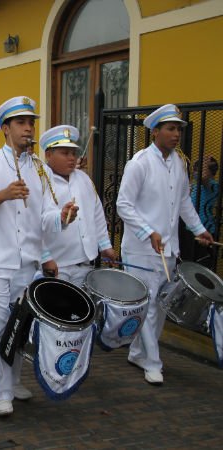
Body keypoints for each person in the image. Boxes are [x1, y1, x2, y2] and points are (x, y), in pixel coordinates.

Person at [0, 96, 78, 416]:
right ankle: (1, 391)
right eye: (21, 123)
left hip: (26, 262)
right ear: (6, 128)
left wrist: (62, 217)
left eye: (31, 123)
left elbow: (44, 218)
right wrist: (1, 196)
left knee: (20, 323)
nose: (28, 129)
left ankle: (13, 381)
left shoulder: (40, 169)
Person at [116, 103, 214, 385]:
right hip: (141, 250)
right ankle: (153, 362)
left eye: (178, 129)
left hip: (168, 248)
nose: (176, 134)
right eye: (170, 129)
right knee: (147, 305)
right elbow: (123, 204)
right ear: (155, 132)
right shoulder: (139, 163)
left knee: (160, 305)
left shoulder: (179, 164)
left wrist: (199, 229)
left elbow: (184, 202)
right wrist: (148, 231)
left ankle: (138, 353)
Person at [41, 125, 116, 286]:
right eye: (65, 153)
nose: (71, 158)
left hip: (85, 262)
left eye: (74, 153)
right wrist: (44, 257)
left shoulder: (84, 178)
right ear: (48, 155)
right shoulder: (40, 180)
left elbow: (96, 214)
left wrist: (105, 245)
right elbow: (33, 223)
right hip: (56, 264)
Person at [191, 156, 219, 235]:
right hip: (193, 226)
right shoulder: (196, 185)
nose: (194, 172)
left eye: (198, 170)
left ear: (209, 171)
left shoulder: (214, 185)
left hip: (205, 227)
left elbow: (203, 178)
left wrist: (205, 164)